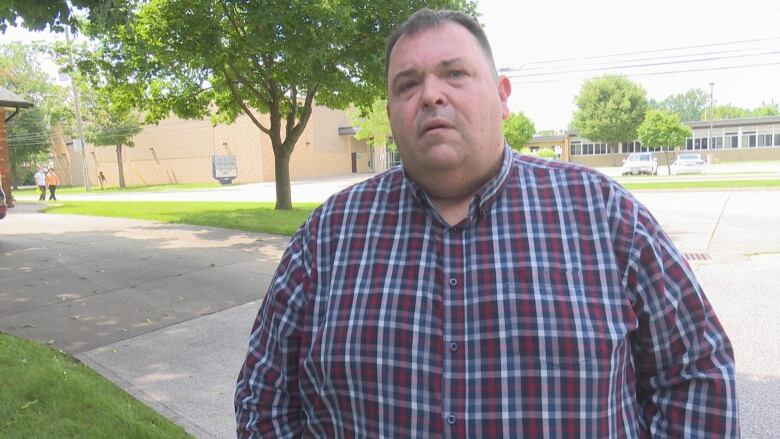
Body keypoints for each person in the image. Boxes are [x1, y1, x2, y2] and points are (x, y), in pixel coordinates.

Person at [235, 9, 738, 437]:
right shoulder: (328, 237)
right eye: (408, 84)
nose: (431, 95)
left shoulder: (604, 214)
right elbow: (266, 397)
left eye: (454, 74)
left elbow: (697, 370)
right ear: (390, 111)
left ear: (501, 95)